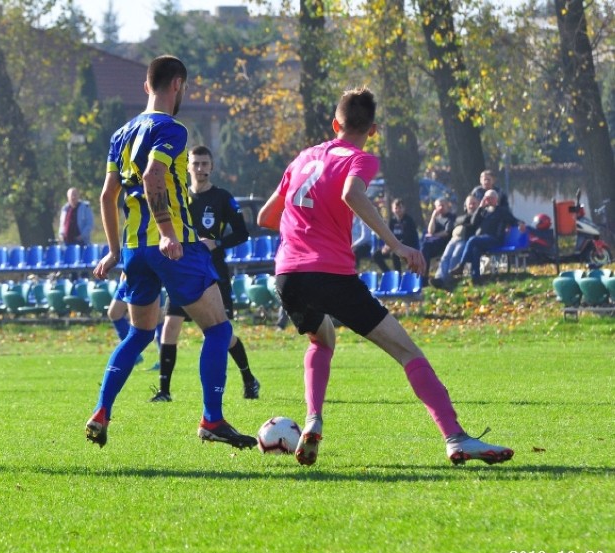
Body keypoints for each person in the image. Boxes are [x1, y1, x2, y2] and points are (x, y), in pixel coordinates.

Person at [257, 86, 513, 467]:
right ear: (372, 129)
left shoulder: (303, 158)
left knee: (322, 339)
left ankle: (313, 418)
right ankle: (456, 438)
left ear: (334, 123)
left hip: (288, 275)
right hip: (331, 273)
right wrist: (397, 245)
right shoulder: (360, 159)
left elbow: (265, 217)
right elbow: (351, 193)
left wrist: (303, 228)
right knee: (408, 352)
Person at [86, 55, 256, 450]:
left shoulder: (121, 134)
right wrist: (166, 232)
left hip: (133, 250)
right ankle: (212, 419)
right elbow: (153, 175)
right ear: (177, 84)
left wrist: (113, 251)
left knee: (141, 333)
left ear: (146, 86)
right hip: (174, 246)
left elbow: (108, 194)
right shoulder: (173, 129)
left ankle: (101, 411)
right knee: (218, 329)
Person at [149, 145, 261, 402]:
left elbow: (242, 232)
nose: (200, 169)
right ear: (187, 166)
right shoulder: (178, 199)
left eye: (204, 164)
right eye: (196, 164)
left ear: (212, 167)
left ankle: (248, 378)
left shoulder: (221, 198)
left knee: (223, 333)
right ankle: (164, 391)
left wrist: (217, 243)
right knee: (169, 328)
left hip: (213, 273)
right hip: (182, 272)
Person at [448, 189, 519, 284]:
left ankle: (461, 266)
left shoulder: (502, 211)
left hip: (495, 239)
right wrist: (480, 207)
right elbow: (473, 222)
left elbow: (513, 220)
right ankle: (475, 278)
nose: (488, 200)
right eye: (486, 198)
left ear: (495, 199)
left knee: (472, 240)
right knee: (475, 250)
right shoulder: (483, 211)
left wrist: (520, 224)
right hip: (482, 240)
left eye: (490, 198)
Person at [432, 195, 479, 288]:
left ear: (477, 204)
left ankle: (448, 279)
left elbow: (473, 223)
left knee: (455, 256)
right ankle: (439, 278)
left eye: (474, 203)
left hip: (465, 240)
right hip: (454, 239)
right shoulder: (462, 216)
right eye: (470, 204)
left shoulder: (479, 215)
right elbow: (455, 223)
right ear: (466, 205)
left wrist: (464, 222)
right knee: (445, 257)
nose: (472, 206)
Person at [371, 198, 418, 272]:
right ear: (393, 209)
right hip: (393, 247)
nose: (398, 210)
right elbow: (388, 235)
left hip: (407, 247)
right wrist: (386, 246)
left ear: (404, 208)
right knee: (376, 255)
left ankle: (398, 274)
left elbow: (408, 238)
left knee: (394, 254)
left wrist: (393, 246)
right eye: (396, 208)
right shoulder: (392, 221)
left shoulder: (409, 221)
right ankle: (389, 274)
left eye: (400, 207)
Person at [420, 198, 456, 285]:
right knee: (424, 249)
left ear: (447, 205)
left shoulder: (451, 217)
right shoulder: (437, 218)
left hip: (445, 244)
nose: (441, 207)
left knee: (425, 248)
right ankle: (423, 277)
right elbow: (430, 231)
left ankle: (424, 278)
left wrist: (434, 235)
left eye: (443, 205)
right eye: (439, 206)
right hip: (433, 244)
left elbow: (447, 232)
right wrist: (433, 217)